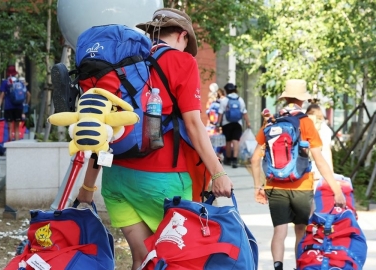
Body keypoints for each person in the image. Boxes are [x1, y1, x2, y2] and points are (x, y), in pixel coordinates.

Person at [75, 8, 233, 270]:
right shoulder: (182, 62)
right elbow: (194, 124)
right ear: (182, 35)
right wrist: (218, 174)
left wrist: (87, 189)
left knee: (141, 258)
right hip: (163, 182)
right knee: (171, 261)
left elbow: (101, 126)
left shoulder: (122, 64)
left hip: (116, 180)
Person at [250, 79, 345, 270]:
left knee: (279, 230)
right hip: (301, 185)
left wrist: (257, 186)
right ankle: (301, 266)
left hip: (274, 184)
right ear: (303, 100)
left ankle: (278, 266)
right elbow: (319, 159)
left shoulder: (271, 120)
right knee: (301, 230)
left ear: (285, 98)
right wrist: (337, 190)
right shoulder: (306, 122)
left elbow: (254, 159)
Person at [217, 83, 251, 168]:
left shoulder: (224, 100)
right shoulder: (240, 100)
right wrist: (248, 123)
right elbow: (244, 112)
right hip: (237, 123)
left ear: (227, 90)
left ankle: (228, 159)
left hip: (226, 123)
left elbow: (220, 113)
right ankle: (234, 159)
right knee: (235, 140)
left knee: (228, 141)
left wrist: (218, 124)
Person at [0, 66, 29, 141]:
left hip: (8, 107)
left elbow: (1, 96)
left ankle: (10, 148)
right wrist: (26, 105)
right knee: (17, 128)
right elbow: (27, 94)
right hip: (19, 107)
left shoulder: (6, 82)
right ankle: (16, 148)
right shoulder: (20, 82)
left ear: (8, 73)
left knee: (10, 128)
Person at [306, 103, 333, 184]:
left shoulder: (302, 126)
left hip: (304, 171)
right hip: (320, 170)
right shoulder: (325, 129)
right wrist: (330, 171)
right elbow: (327, 151)